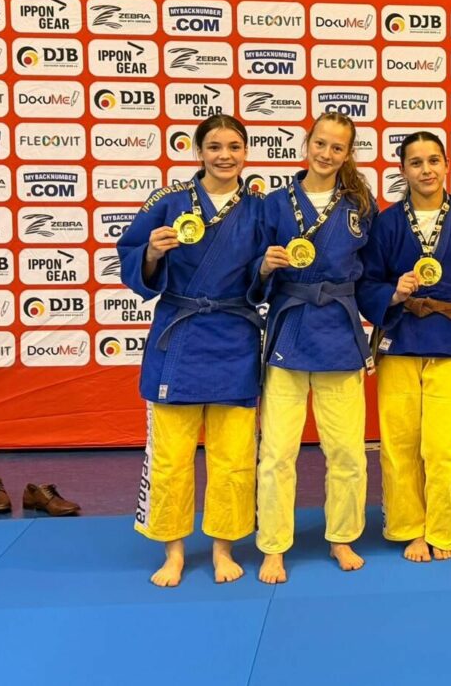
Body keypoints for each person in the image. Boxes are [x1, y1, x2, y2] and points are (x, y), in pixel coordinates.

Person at [118, 114, 266, 587]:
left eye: (234, 147)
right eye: (215, 147)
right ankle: (174, 550)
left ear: (246, 152)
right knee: (170, 456)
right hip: (179, 336)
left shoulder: (260, 208)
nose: (225, 156)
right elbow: (130, 255)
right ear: (199, 151)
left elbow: (265, 275)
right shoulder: (168, 201)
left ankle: (224, 547)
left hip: (235, 336)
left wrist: (267, 269)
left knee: (234, 455)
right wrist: (152, 253)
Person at [253, 112, 376, 581]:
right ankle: (273, 545)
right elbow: (254, 270)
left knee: (346, 450)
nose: (326, 154)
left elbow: (374, 273)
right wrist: (264, 267)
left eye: (337, 147)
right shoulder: (274, 204)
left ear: (348, 154)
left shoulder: (360, 205)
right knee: (277, 452)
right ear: (307, 144)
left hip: (339, 333)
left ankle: (342, 537)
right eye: (320, 144)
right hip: (289, 328)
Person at [357, 132, 451, 563]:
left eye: (433, 160)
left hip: (445, 336)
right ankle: (409, 527)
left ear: (447, 164)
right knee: (400, 441)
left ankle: (441, 526)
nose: (426, 170)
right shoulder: (387, 222)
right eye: (416, 162)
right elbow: (367, 281)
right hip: (399, 337)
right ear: (402, 170)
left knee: (445, 445)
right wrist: (392, 292)